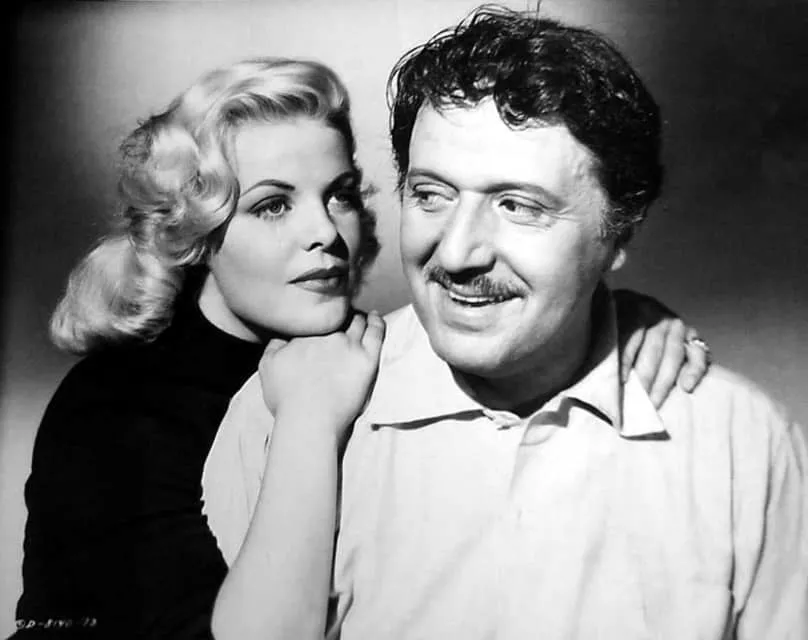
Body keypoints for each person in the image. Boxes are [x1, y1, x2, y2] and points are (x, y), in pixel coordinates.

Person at [12, 56, 706, 639]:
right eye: (273, 205)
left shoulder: (363, 352)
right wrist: (309, 419)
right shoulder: (114, 413)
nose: (326, 233)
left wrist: (612, 322)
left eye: (340, 195)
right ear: (197, 230)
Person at [205, 7, 808, 640]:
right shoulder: (280, 422)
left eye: (517, 206)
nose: (457, 253)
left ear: (618, 233)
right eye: (431, 195)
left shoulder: (740, 444)